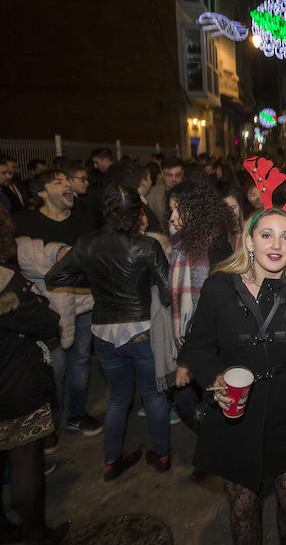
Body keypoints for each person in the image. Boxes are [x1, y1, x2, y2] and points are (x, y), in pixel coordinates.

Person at [179, 207, 286, 544]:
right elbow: (197, 347)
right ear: (249, 241)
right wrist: (215, 379)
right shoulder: (219, 287)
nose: (276, 244)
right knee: (243, 507)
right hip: (236, 416)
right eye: (267, 235)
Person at [45, 185, 171, 481]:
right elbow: (167, 292)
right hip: (142, 329)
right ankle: (163, 455)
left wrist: (94, 279)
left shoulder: (86, 243)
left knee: (118, 398)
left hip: (103, 332)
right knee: (154, 396)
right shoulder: (147, 246)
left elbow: (54, 276)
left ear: (105, 210)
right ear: (137, 213)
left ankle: (111, 461)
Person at [15, 170, 99, 451]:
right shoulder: (25, 223)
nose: (68, 186)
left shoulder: (83, 219)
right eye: (59, 182)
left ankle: (77, 414)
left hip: (84, 304)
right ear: (41, 192)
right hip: (48, 311)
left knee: (80, 362)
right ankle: (50, 426)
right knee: (55, 368)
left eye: (67, 181)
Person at [0, 208, 70, 544]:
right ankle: (35, 534)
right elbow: (45, 321)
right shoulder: (5, 282)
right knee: (25, 459)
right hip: (13, 383)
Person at [167, 181, 235, 430]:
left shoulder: (214, 248)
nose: (172, 217)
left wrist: (187, 361)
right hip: (190, 339)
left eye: (178, 209)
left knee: (195, 400)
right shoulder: (184, 242)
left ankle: (211, 439)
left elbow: (211, 308)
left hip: (207, 341)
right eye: (171, 210)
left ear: (195, 210)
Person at [147, 157, 184, 230]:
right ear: (162, 173)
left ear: (183, 173)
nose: (174, 179)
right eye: (169, 175)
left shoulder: (191, 193)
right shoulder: (152, 195)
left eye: (178, 175)